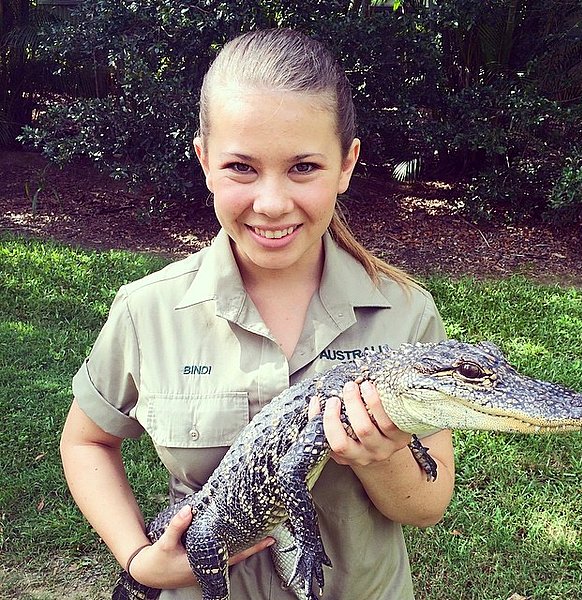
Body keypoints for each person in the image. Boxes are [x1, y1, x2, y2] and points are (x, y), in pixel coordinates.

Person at [60, 28, 455, 600]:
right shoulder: (147, 309)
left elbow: (425, 507)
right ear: (204, 161)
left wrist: (380, 456)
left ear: (346, 165)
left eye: (303, 168)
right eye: (241, 167)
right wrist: (139, 560)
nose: (271, 203)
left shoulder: (406, 313)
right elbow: (86, 441)